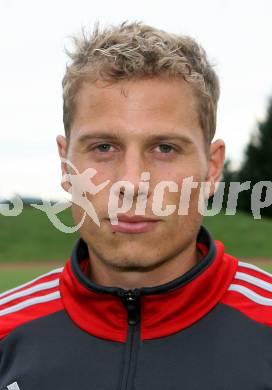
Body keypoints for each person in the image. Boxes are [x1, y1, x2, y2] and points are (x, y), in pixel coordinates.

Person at [0, 22, 272, 390]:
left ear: (212, 167)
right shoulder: (7, 331)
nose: (131, 182)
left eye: (164, 148)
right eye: (104, 148)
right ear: (66, 163)